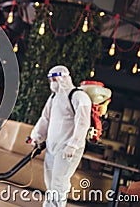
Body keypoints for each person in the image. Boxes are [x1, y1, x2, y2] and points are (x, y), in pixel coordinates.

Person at [30, 65, 91, 207]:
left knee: (59, 182)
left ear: (62, 78)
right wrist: (36, 137)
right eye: (50, 80)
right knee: (50, 181)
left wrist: (73, 145)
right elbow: (45, 118)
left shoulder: (79, 96)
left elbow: (83, 123)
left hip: (67, 149)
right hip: (52, 146)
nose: (52, 83)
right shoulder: (54, 98)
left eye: (54, 79)